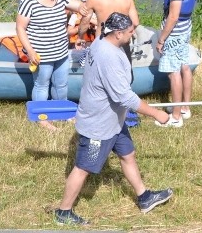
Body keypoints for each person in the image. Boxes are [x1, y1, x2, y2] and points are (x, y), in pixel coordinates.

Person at [55, 12, 174, 226]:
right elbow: (123, 96)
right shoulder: (107, 56)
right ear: (117, 33)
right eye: (129, 32)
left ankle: (144, 197)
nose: (132, 34)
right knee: (83, 167)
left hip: (114, 121)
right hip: (98, 126)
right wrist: (157, 113)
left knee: (128, 154)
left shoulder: (102, 41)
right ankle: (63, 212)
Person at [16, 0, 80, 130]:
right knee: (41, 85)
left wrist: (96, 4)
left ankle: (63, 113)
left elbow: (80, 6)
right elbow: (20, 28)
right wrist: (29, 51)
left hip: (61, 52)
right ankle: (41, 118)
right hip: (40, 55)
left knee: (61, 85)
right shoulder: (28, 1)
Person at [155, 0, 198, 127]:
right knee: (185, 67)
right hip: (186, 28)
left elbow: (173, 16)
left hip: (174, 33)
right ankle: (185, 108)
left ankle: (175, 117)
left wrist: (162, 38)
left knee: (174, 73)